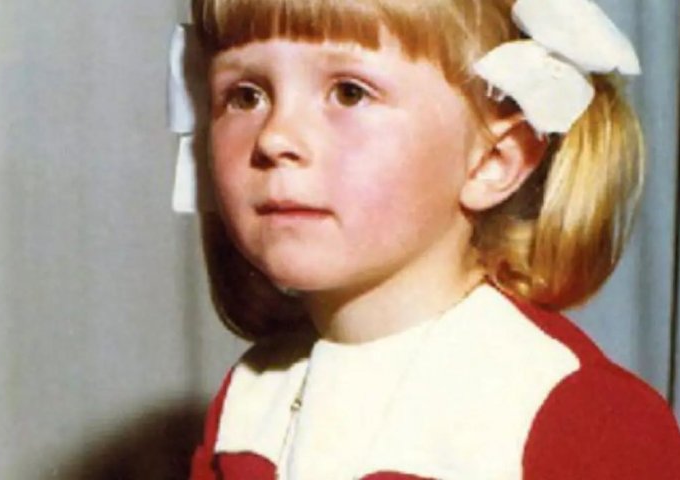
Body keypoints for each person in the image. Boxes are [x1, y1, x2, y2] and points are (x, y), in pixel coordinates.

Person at [167, 0, 680, 478]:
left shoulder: (572, 412)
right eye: (246, 95)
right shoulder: (251, 398)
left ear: (493, 161)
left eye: (349, 92)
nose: (275, 137)